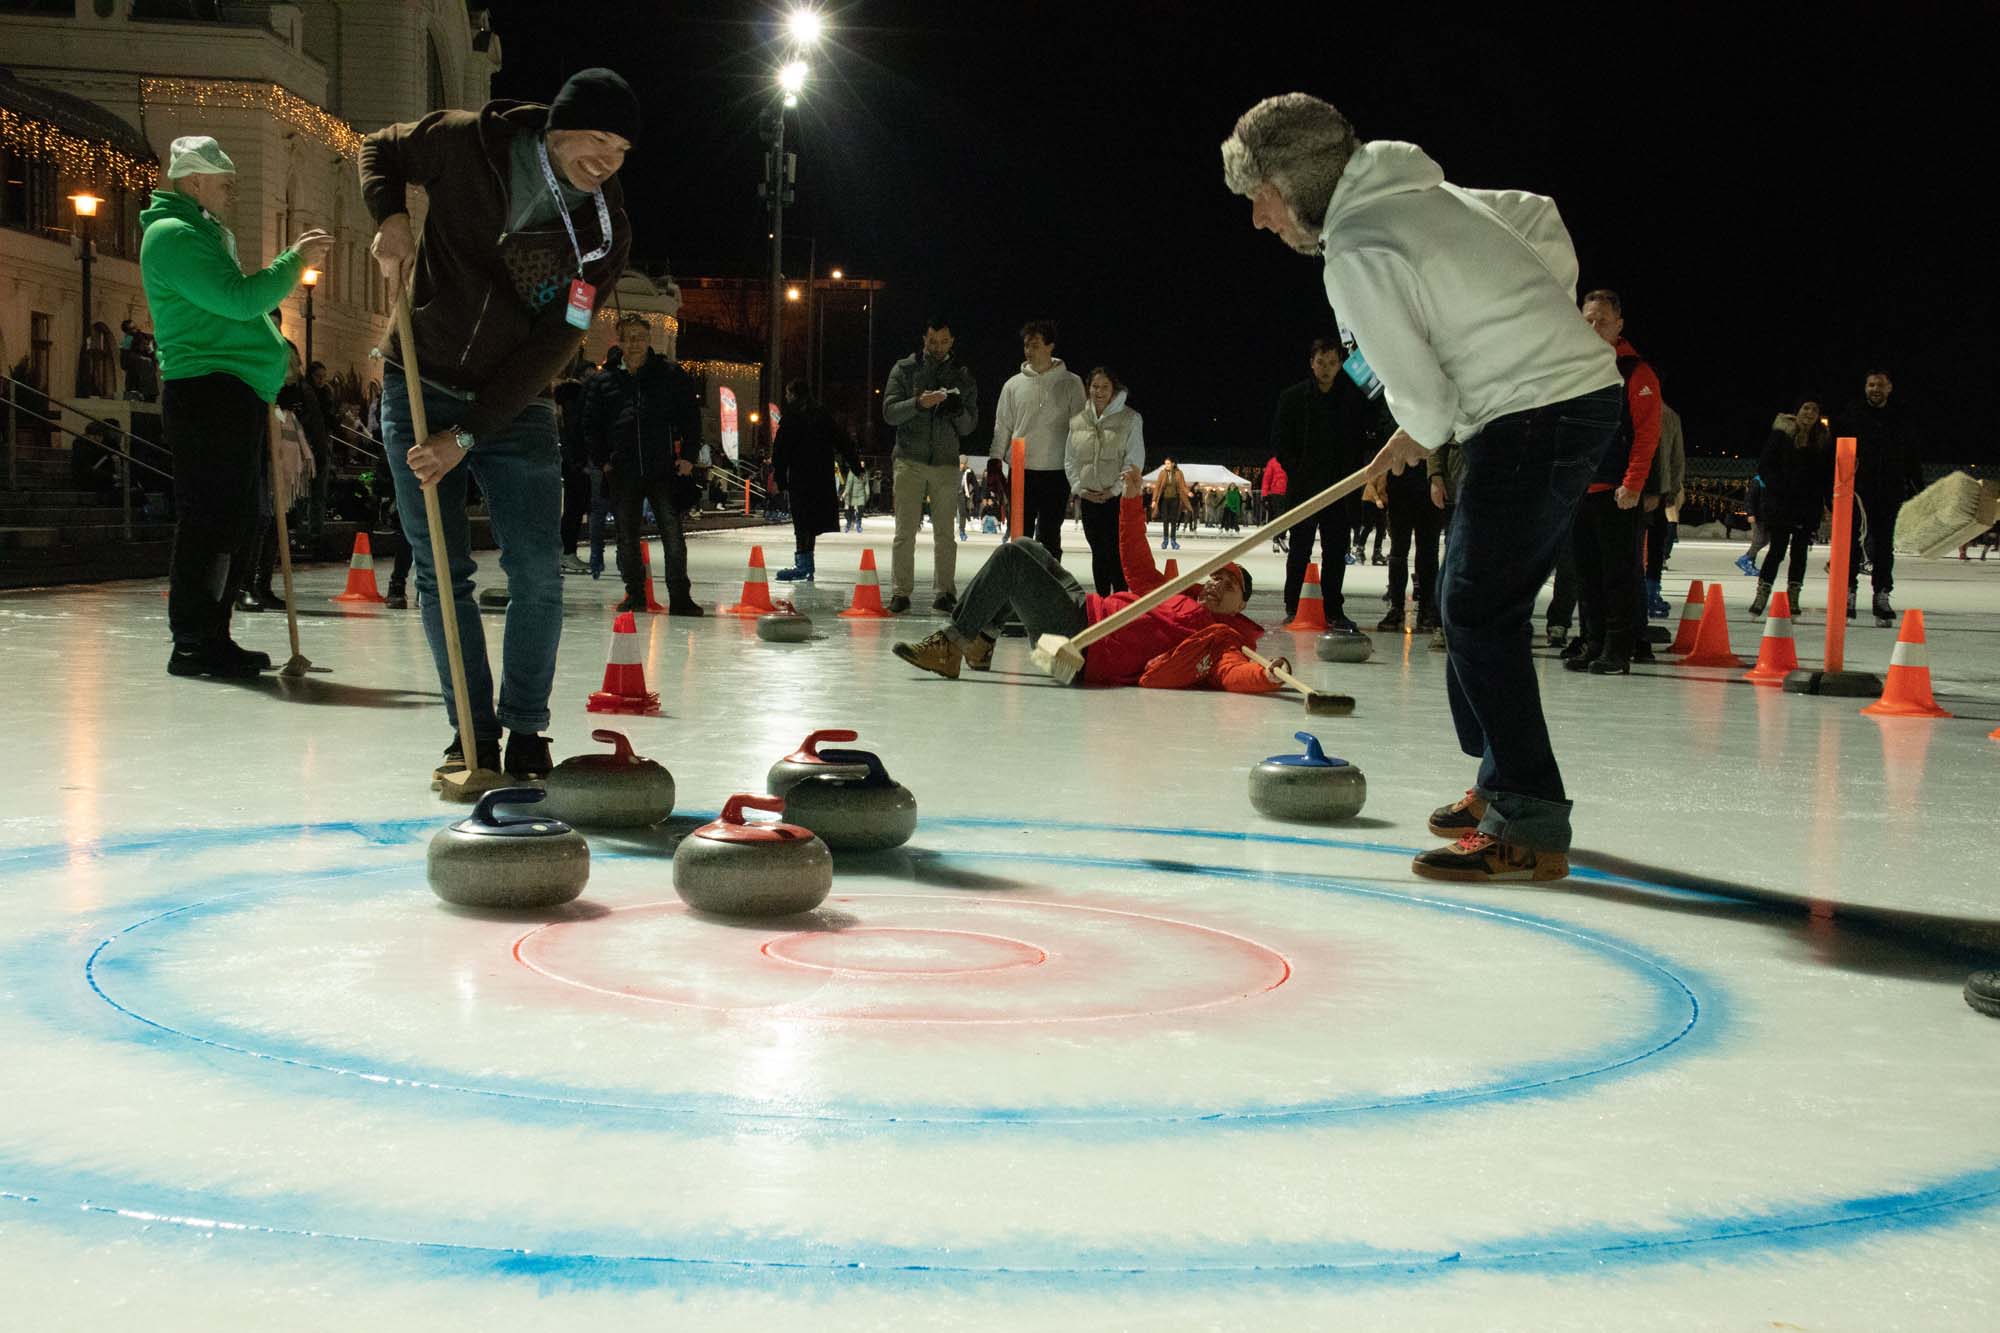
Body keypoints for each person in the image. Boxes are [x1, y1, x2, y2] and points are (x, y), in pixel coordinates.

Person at [1224, 92, 1621, 882]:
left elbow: (1432, 403)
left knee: (1476, 606)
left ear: (1295, 180)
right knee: (1469, 597)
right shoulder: (1415, 192)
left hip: (1534, 414)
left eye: (1259, 197)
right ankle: (1499, 780)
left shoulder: (1356, 248)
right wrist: (1526, 327)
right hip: (1561, 402)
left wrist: (1437, 410)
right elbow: (1537, 217)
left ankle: (1531, 820)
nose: (1260, 220)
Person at [363, 66, 636, 780]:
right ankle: (471, 734)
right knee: (440, 573)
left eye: (620, 153)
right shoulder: (466, 143)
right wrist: (388, 214)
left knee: (538, 573)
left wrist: (469, 434)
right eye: (596, 142)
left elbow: (554, 343)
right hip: (417, 381)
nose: (604, 163)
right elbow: (379, 149)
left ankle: (524, 728)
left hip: (512, 408)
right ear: (559, 124)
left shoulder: (603, 237)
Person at [139, 134, 332, 679]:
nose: (230, 191)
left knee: (230, 520)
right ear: (195, 180)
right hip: (209, 390)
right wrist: (294, 261)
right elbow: (241, 300)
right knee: (213, 520)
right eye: (223, 181)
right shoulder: (176, 236)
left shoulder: (195, 232)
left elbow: (235, 306)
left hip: (226, 388)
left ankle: (210, 635)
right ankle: (196, 639)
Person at [891, 465, 1281, 693]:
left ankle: (953, 644)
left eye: (1228, 586)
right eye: (1217, 578)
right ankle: (982, 640)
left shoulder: (1221, 639)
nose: (1216, 585)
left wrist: (1266, 675)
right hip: (1088, 610)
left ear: (1242, 606)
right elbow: (1137, 563)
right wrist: (1130, 500)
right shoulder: (1182, 594)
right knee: (1027, 547)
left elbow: (1233, 673)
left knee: (1012, 560)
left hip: (1083, 646)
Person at [1561, 290, 1660, 676]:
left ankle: (1618, 648)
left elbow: (1646, 433)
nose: (1592, 326)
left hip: (1617, 492)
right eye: (1586, 319)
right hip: (1580, 490)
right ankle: (1594, 641)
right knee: (1585, 573)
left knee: (1618, 573)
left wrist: (1633, 483)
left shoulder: (1636, 373)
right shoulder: (1573, 369)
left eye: (1601, 319)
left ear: (1618, 325)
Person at [1270, 335, 1393, 631]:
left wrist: (1355, 474)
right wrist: (1298, 471)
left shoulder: (1352, 401)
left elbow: (1367, 436)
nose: (1326, 368)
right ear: (1311, 363)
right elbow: (1280, 442)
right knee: (1299, 548)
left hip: (1339, 490)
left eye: (1332, 363)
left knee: (1336, 549)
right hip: (1304, 489)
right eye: (1321, 362)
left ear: (1340, 365)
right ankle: (1293, 606)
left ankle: (1334, 609)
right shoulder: (1293, 398)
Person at [585, 312, 704, 613]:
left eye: (640, 336)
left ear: (649, 339)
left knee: (672, 534)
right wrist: (603, 462)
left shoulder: (670, 374)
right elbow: (591, 425)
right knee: (626, 537)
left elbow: (690, 417)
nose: (635, 343)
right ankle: (635, 594)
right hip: (622, 470)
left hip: (663, 468)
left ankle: (680, 596)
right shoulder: (605, 381)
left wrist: (688, 456)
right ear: (620, 342)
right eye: (629, 337)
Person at [882, 316, 978, 613]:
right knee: (905, 530)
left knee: (945, 534)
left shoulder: (962, 376)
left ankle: (945, 592)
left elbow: (969, 426)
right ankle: (901, 591)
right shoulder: (905, 369)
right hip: (909, 460)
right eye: (932, 341)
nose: (937, 347)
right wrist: (917, 403)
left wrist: (957, 410)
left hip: (946, 464)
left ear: (952, 342)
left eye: (943, 341)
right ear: (924, 340)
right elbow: (889, 412)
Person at [989, 319, 1086, 560]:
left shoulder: (1072, 383)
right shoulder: (1013, 385)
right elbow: (1003, 426)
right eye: (1026, 346)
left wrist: (1082, 466)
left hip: (1057, 470)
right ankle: (1017, 586)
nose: (1028, 351)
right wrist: (995, 459)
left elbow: (1080, 430)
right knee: (1019, 534)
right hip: (1022, 471)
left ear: (1050, 345)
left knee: (1050, 535)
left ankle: (1050, 587)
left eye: (1034, 345)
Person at [1838, 369, 1922, 626]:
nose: (1875, 389)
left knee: (1884, 546)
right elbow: (1839, 452)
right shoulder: (1852, 415)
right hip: (1857, 491)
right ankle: (1848, 594)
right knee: (1851, 545)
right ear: (1865, 388)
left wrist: (1917, 487)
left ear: (1889, 388)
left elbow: (1911, 454)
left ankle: (1882, 595)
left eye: (1880, 385)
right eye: (1871, 385)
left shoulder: (1901, 418)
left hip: (1889, 490)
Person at [1066, 366, 1147, 595]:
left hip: (1116, 500)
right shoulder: (1078, 421)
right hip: (1089, 498)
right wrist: (1080, 489)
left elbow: (1134, 459)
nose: (1098, 391)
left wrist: (1114, 490)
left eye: (1104, 387)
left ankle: (1121, 604)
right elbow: (1070, 460)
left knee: (1116, 553)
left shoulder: (1130, 419)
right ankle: (1102, 603)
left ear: (1114, 389)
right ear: (1087, 388)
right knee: (1098, 553)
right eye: (1094, 386)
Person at [1748, 397, 1830, 619]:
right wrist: (1779, 488)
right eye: (1805, 407)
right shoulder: (1781, 434)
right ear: (1797, 411)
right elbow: (1765, 465)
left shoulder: (1822, 439)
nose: (1809, 412)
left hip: (1807, 506)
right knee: (1777, 550)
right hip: (1781, 503)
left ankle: (1793, 597)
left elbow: (1824, 475)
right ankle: (1762, 595)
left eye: (1814, 409)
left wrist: (1825, 503)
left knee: (1800, 553)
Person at [771, 379, 859, 581]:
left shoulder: (792, 415)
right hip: (821, 475)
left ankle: (803, 565)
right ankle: (807, 565)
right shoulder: (822, 413)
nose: (786, 397)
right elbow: (842, 439)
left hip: (800, 476)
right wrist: (854, 464)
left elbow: (781, 449)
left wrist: (779, 477)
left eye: (787, 393)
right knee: (811, 521)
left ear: (793, 394)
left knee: (801, 521)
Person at [1378, 453, 1443, 633]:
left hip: (1428, 485)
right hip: (1400, 485)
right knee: (1398, 551)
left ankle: (1426, 609)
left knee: (1428, 551)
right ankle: (1396, 607)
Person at [1643, 401, 1687, 620]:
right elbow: (1677, 457)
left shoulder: (1630, 405)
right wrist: (1671, 487)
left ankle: (1645, 591)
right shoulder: (1669, 415)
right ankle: (1650, 591)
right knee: (1655, 545)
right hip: (1659, 487)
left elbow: (1676, 456)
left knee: (1636, 545)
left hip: (1635, 487)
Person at [1151, 457, 1191, 548]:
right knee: (1165, 520)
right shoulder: (1162, 473)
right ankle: (1165, 541)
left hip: (1175, 500)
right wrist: (1154, 500)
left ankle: (1173, 541)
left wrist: (1188, 492)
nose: (1166, 465)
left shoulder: (1178, 473)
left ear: (1173, 464)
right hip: (1164, 500)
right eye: (1165, 464)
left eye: (1168, 463)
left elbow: (1183, 485)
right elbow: (1157, 487)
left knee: (1173, 520)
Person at [1260, 453, 1288, 549]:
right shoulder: (1273, 462)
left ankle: (1280, 537)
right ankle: (1278, 538)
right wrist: (1265, 494)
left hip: (1289, 492)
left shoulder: (1293, 459)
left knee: (1288, 516)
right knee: (1280, 516)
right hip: (1276, 493)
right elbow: (1266, 479)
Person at [842, 460, 870, 532]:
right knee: (849, 511)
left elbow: (866, 484)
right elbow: (849, 484)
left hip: (861, 494)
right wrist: (845, 493)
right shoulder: (852, 472)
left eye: (863, 464)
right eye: (861, 464)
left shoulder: (865, 473)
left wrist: (867, 493)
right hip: (851, 495)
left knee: (860, 510)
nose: (862, 466)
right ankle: (848, 523)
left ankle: (859, 524)